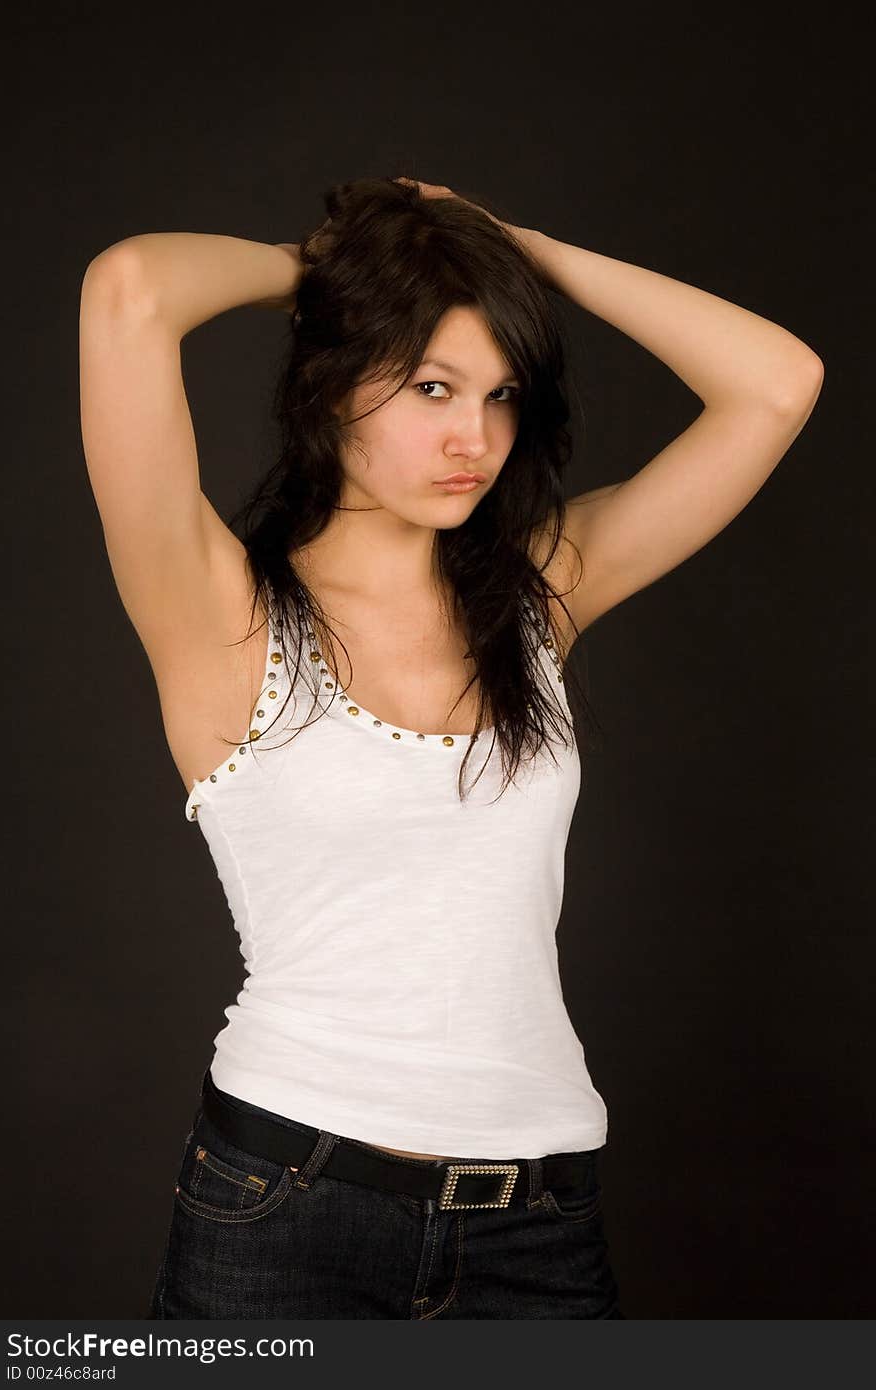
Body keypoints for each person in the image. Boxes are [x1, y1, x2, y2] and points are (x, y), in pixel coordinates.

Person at [78, 175, 823, 1320]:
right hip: (286, 1207)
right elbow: (129, 291)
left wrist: (514, 251)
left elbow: (777, 384)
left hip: (540, 1223)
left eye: (500, 394)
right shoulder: (217, 615)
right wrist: (340, 275)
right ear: (333, 384)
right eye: (431, 385)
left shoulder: (535, 596)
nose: (472, 437)